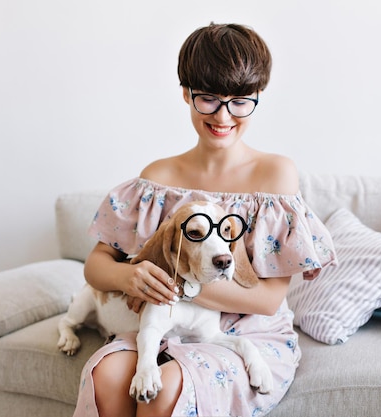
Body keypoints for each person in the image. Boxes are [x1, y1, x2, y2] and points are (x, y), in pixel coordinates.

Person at [73, 22, 336, 417]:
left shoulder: (275, 175)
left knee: (166, 392)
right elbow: (96, 266)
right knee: (107, 375)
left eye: (240, 100)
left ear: (258, 96)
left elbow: (267, 301)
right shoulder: (157, 179)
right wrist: (130, 277)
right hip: (165, 325)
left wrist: (174, 282)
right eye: (209, 98)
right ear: (186, 93)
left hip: (247, 336)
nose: (224, 115)